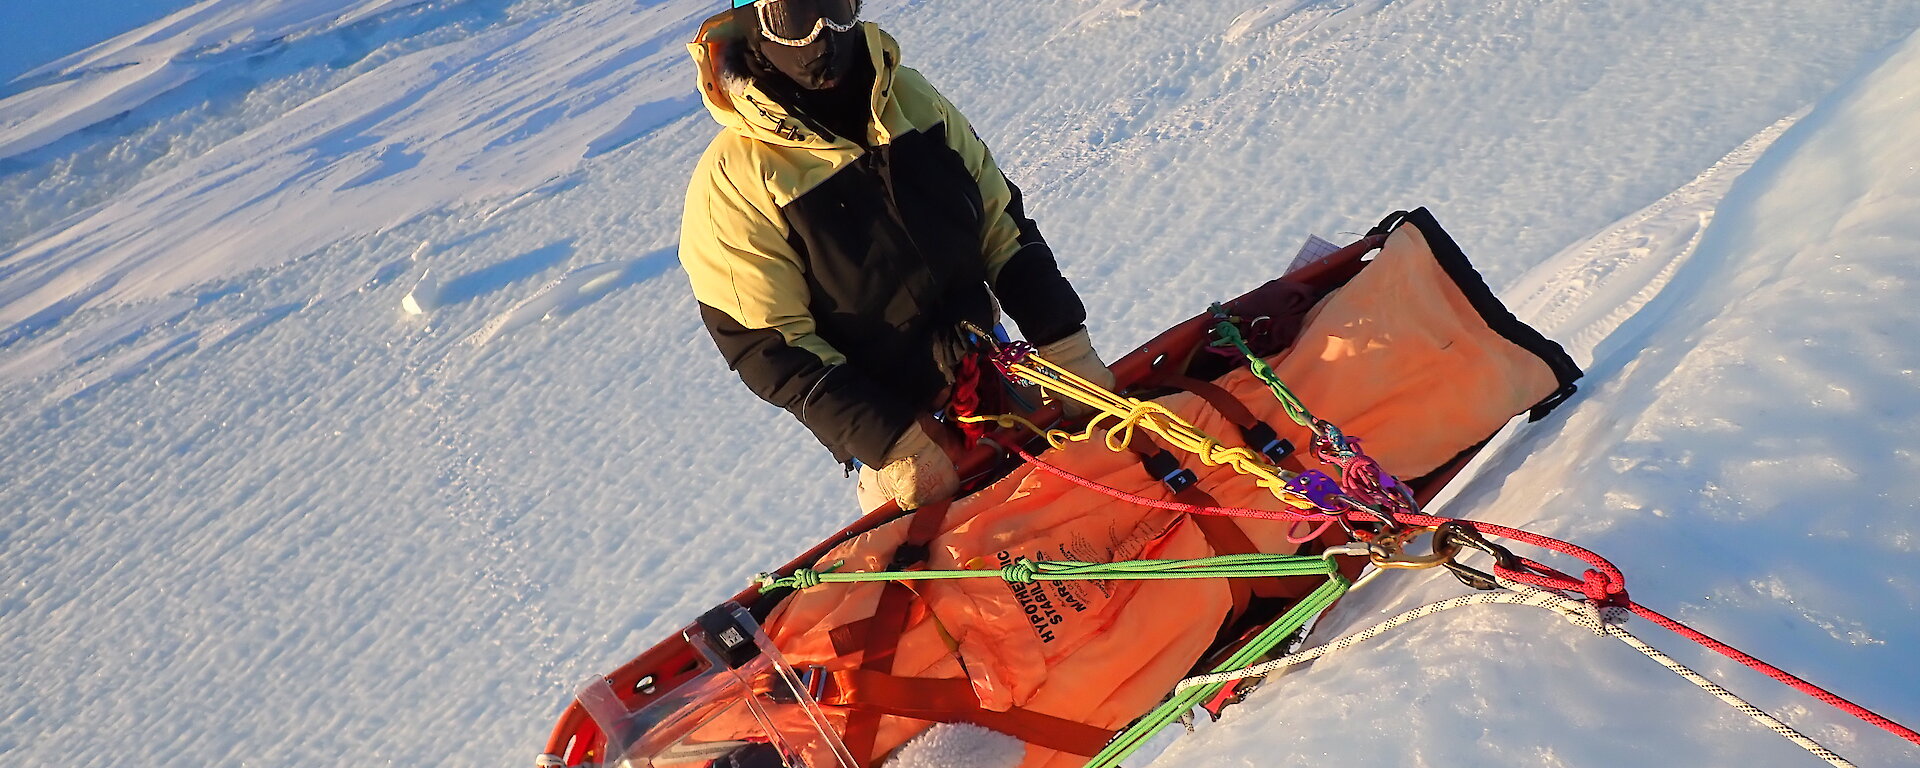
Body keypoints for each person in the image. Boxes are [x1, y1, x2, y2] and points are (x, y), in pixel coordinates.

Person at [679, 0, 1114, 511]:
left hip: (992, 372)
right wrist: (893, 444)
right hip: (891, 429)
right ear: (754, 28)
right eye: (794, 20)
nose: (824, 33)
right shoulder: (736, 180)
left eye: (836, 8)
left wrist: (1064, 345)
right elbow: (767, 344)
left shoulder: (907, 97)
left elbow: (1000, 223)